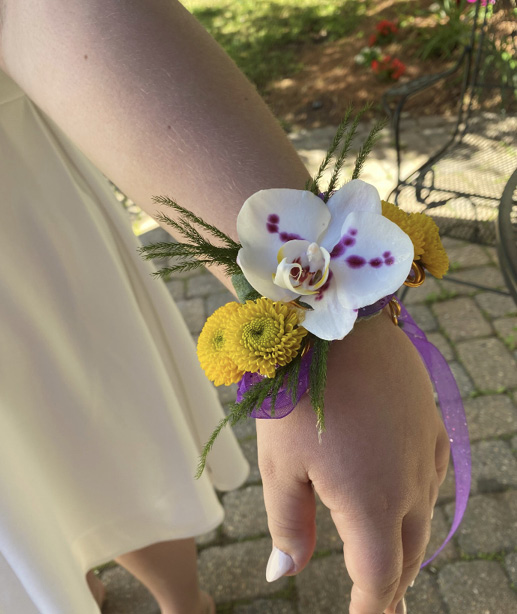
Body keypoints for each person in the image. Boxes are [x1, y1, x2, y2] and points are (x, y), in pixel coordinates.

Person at [0, 2, 450, 613]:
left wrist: (345, 345)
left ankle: (181, 600)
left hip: (24, 250)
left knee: (95, 435)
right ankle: (77, 576)